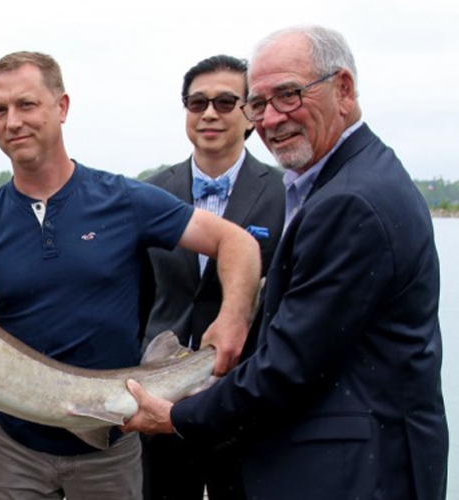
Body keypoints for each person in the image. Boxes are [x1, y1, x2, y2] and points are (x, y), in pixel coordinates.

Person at [122, 25, 449, 500]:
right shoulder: (346, 179)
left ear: (345, 89)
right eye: (260, 103)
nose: (273, 118)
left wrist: (177, 416)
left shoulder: (352, 201)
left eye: (289, 96)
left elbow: (289, 365)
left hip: (354, 470)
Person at [0, 51, 261, 500]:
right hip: (17, 448)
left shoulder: (123, 200)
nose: (12, 121)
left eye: (26, 104)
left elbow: (237, 243)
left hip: (111, 446)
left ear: (62, 107)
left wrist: (234, 317)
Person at [139, 55, 285, 500]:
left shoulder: (285, 193)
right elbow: (139, 292)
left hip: (244, 401)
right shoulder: (150, 192)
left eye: (225, 102)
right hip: (160, 392)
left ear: (250, 115)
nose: (208, 113)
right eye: (196, 102)